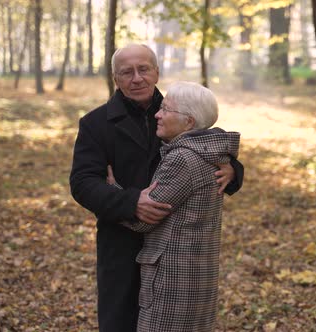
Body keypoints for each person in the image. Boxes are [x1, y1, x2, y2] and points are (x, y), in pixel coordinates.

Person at [69, 44, 243, 332]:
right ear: (116, 79)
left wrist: (234, 169)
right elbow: (82, 182)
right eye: (127, 72)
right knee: (120, 321)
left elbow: (206, 144)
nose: (136, 78)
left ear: (156, 72)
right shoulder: (95, 124)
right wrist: (129, 201)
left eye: (144, 69)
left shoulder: (177, 108)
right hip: (122, 243)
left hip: (174, 250)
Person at [107, 81, 240, 332]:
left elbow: (145, 217)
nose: (157, 114)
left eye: (166, 109)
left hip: (172, 281)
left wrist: (113, 193)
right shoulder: (213, 153)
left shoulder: (182, 159)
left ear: (189, 122)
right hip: (198, 275)